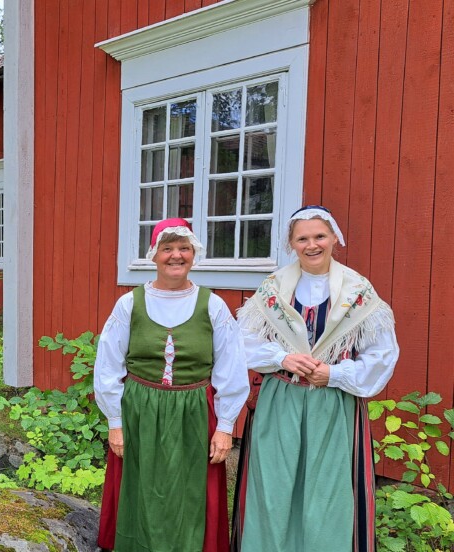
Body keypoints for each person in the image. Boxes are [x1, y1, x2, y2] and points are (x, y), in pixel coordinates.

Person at [231, 206, 399, 552]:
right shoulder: (272, 290)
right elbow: (241, 343)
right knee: (273, 488)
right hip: (281, 401)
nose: (312, 245)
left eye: (319, 236)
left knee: (329, 491)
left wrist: (334, 373)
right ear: (291, 243)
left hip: (333, 404)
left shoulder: (359, 293)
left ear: (334, 238)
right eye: (302, 238)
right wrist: (281, 356)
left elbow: (382, 355)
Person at [94, 218, 248, 552]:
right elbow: (107, 365)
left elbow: (231, 368)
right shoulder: (130, 304)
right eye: (168, 248)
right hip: (140, 410)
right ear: (154, 255)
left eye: (183, 248)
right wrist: (115, 422)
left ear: (194, 254)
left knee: (191, 489)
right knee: (140, 486)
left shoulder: (213, 305)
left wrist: (224, 426)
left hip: (193, 411)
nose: (176, 256)